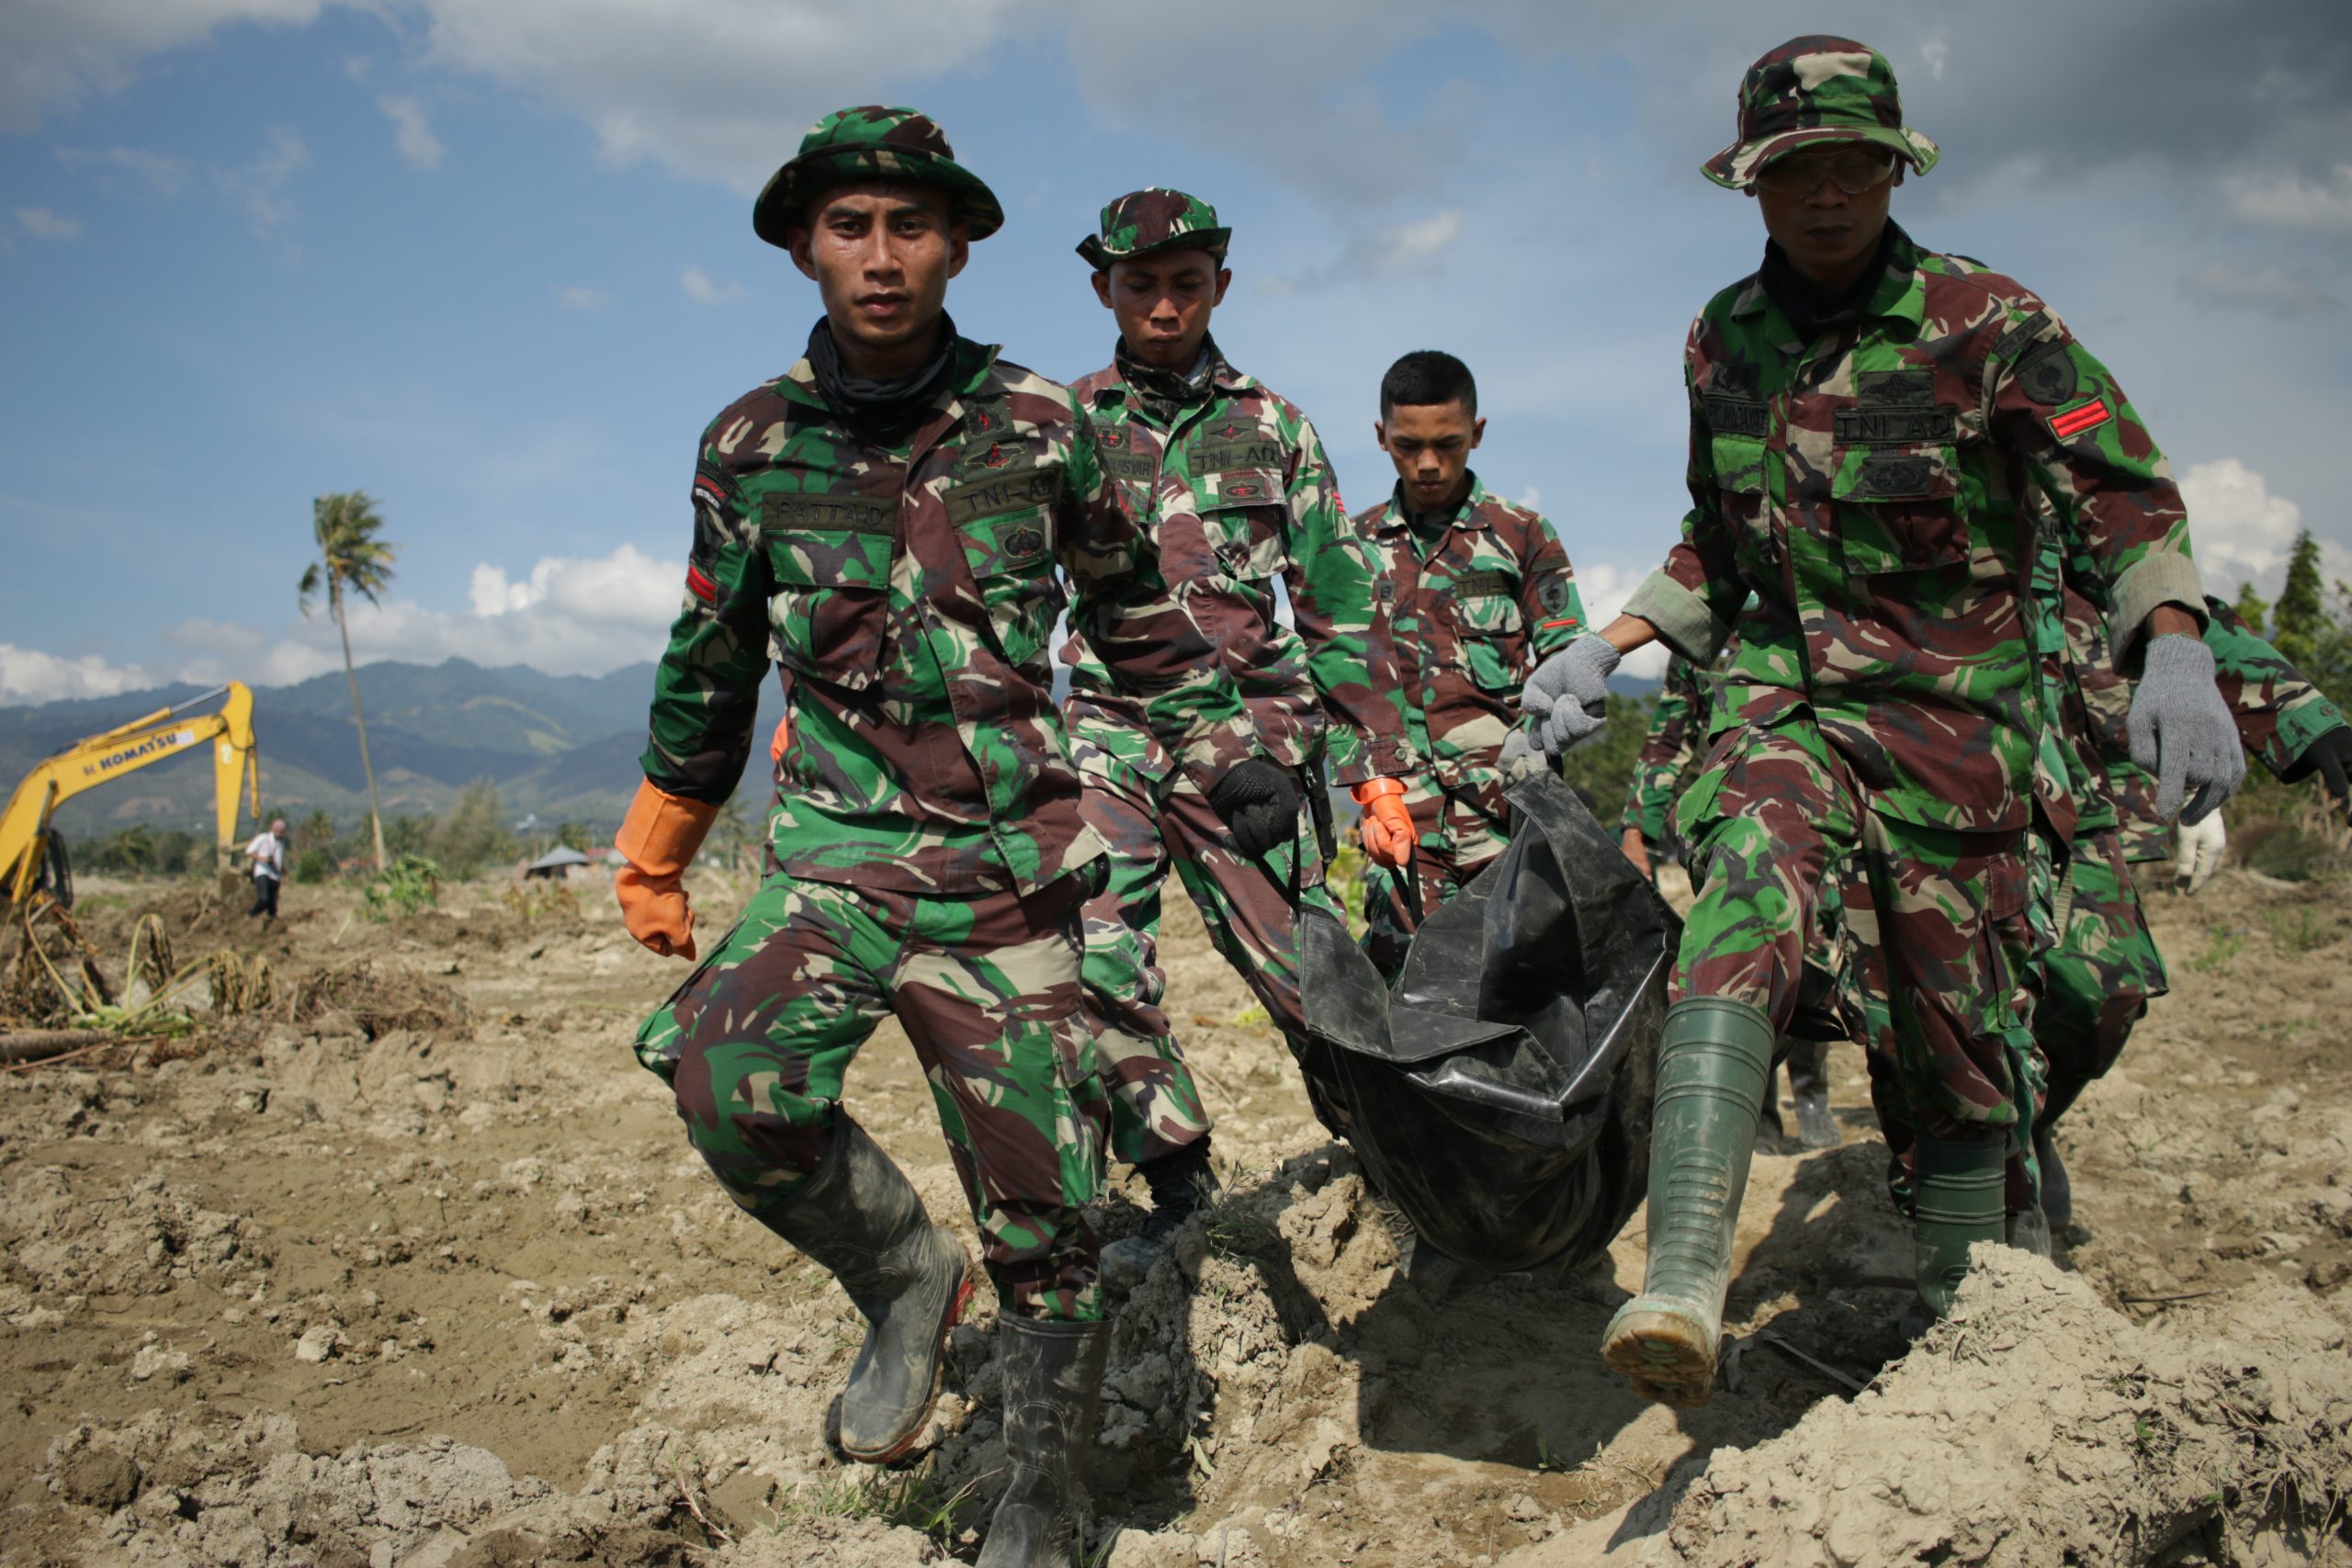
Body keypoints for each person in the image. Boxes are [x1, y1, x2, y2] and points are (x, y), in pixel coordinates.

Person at [1520, 37, 2242, 1406]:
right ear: (1754, 183)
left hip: (1952, 727)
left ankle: (1964, 1347)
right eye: (1800, 169)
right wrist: (1605, 641)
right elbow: (1718, 544)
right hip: (1780, 699)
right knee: (1746, 883)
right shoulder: (1720, 335)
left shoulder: (1989, 320)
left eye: (1856, 163)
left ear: (1894, 168)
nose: (1830, 193)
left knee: (1958, 1047)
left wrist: (2177, 645)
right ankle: (1681, 1276)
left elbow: (2127, 494)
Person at [612, 108, 1262, 1567]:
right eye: (850, 225)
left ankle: (1045, 1493)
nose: (882, 256)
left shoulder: (1044, 426)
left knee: (1052, 1213)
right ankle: (907, 1278)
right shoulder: (750, 444)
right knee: (727, 1078)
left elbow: (1134, 622)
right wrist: (659, 843)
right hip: (836, 861)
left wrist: (1229, 752)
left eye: (912, 227)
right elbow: (710, 659)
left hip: (1009, 875)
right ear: (802, 244)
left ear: (960, 243)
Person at [1059, 188, 1416, 1283]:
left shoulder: (1274, 428)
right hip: (1108, 729)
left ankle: (1409, 1166)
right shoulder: (1055, 423)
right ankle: (1174, 1180)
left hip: (1249, 746)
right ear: (1102, 291)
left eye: (1183, 284)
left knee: (1310, 970)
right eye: (1138, 286)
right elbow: (995, 580)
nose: (1162, 306)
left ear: (1218, 284)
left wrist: (1376, 776)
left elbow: (1339, 607)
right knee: (1091, 959)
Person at [1351, 350, 1586, 976]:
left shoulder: (1522, 536)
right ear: (1382, 438)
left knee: (1523, 1006)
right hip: (1402, 833)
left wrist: (1550, 736)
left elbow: (1568, 662)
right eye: (1408, 445)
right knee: (1407, 1007)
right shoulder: (1352, 549)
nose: (1428, 464)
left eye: (1449, 444)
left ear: (1477, 433)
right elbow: (1340, 683)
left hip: (1509, 827)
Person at [1618, 648, 1843, 1152]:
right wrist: (1636, 827)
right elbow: (1670, 734)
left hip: (1815, 809)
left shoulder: (1810, 617)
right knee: (1740, 955)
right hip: (1730, 816)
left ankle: (1811, 1095)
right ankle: (1758, 1111)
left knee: (1810, 953)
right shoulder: (1702, 638)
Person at [243, 818, 287, 920]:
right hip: (263, 872)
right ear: (273, 830)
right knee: (264, 899)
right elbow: (249, 851)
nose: (279, 834)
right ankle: (250, 915)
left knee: (273, 907)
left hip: (275, 875)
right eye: (278, 832)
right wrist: (262, 858)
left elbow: (279, 859)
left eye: (281, 832)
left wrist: (284, 872)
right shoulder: (263, 838)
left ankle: (271, 927)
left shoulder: (281, 843)